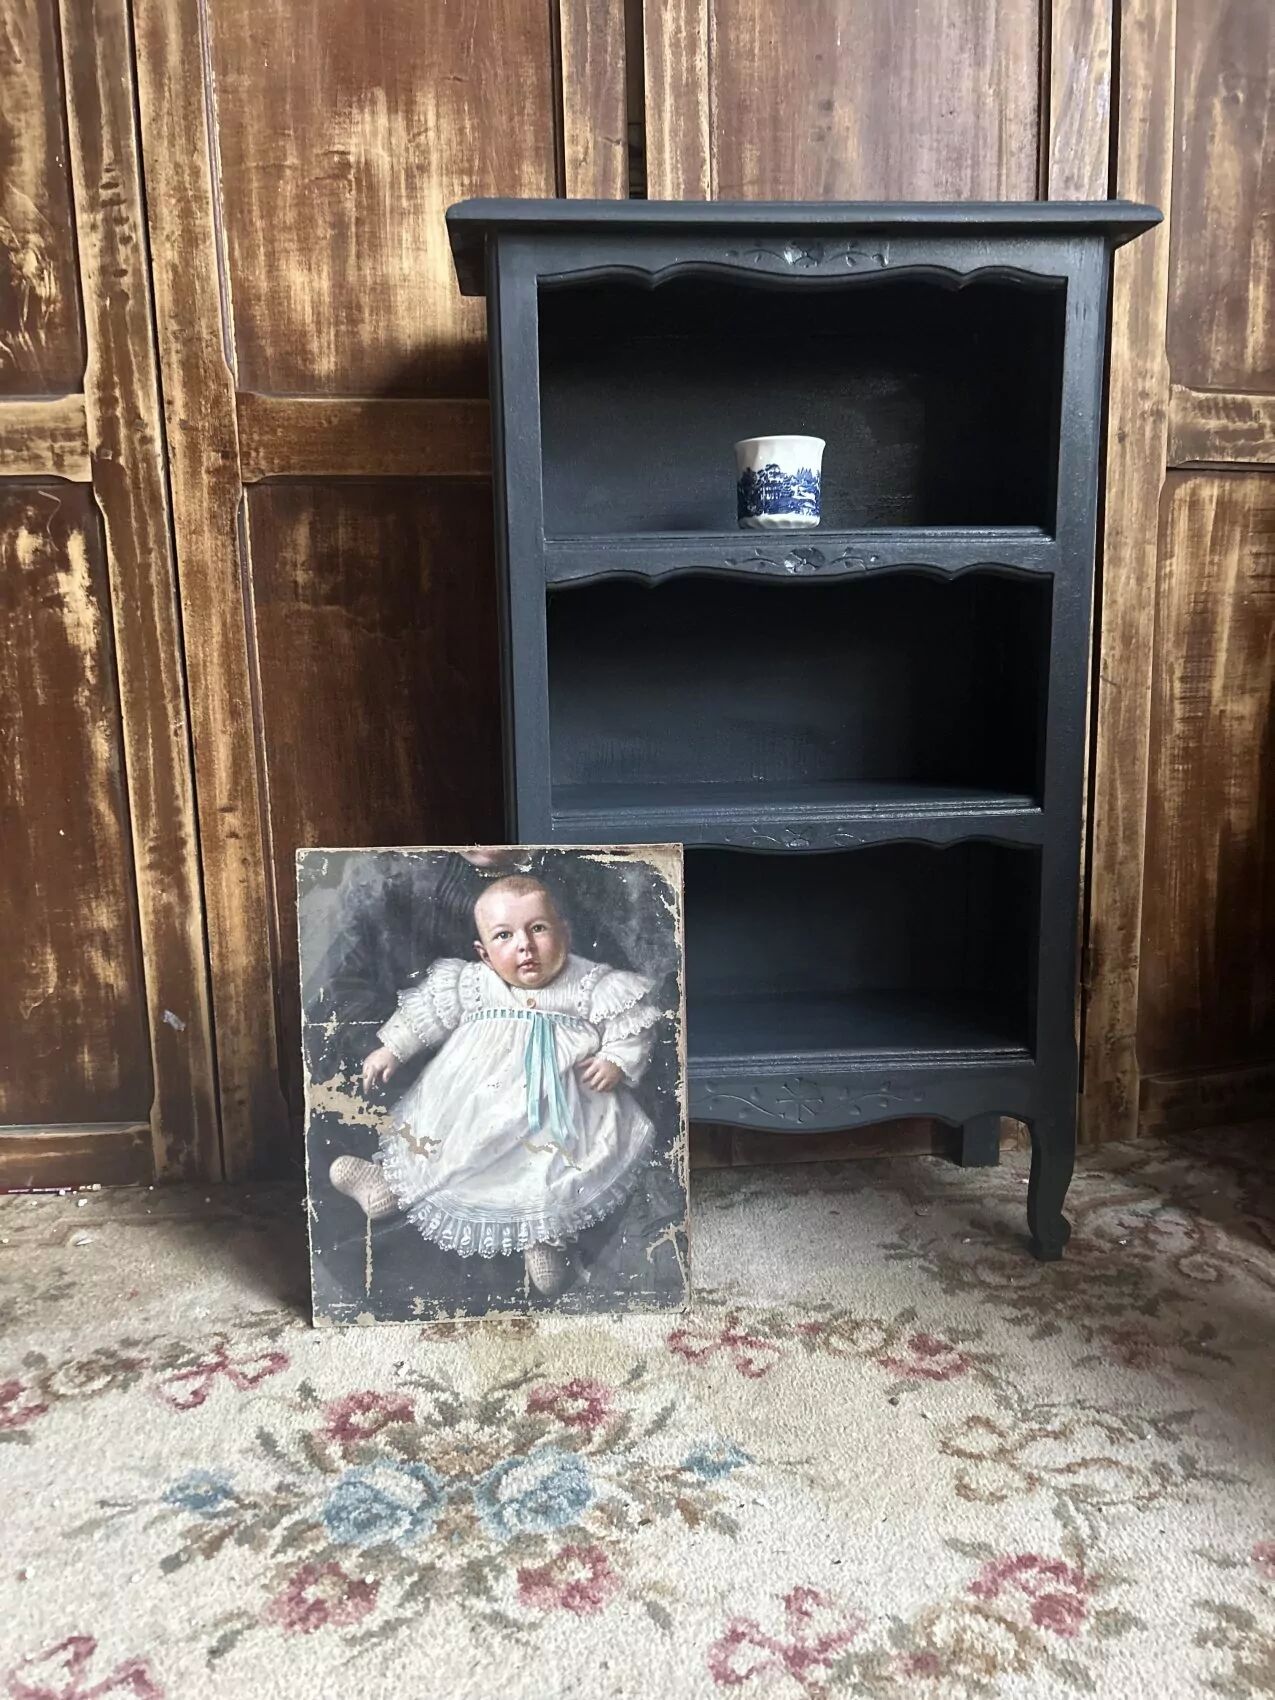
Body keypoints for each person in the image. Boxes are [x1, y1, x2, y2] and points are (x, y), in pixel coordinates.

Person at [329, 874, 666, 1297]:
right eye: (504, 935)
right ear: (484, 953)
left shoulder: (592, 984)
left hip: (562, 1106)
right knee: (447, 1141)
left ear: (565, 930)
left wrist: (616, 1058)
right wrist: (390, 1050)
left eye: (538, 928)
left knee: (552, 1166)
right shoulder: (472, 984)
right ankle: (392, 1186)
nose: (524, 945)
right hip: (473, 1099)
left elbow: (631, 1024)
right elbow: (426, 1015)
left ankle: (543, 1236)